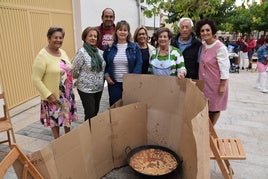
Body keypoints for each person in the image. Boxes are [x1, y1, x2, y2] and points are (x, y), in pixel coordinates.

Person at [32, 27, 78, 139]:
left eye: (61, 38)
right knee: (55, 121)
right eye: (55, 37)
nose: (58, 40)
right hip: (53, 96)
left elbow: (67, 69)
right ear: (49, 38)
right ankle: (57, 143)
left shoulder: (62, 52)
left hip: (67, 95)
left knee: (67, 119)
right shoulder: (42, 56)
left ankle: (68, 139)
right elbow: (35, 79)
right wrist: (48, 94)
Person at [195, 18, 230, 126]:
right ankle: (206, 130)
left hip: (216, 85)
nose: (205, 33)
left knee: (214, 109)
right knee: (205, 108)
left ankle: (211, 131)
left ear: (212, 31)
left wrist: (223, 85)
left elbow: (225, 68)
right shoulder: (204, 45)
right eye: (202, 31)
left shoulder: (220, 48)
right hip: (205, 84)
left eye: (207, 30)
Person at [103, 20, 142, 106]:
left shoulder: (135, 47)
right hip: (114, 83)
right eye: (120, 30)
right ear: (116, 31)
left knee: (129, 106)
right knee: (115, 107)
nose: (122, 32)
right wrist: (106, 75)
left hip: (129, 84)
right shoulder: (110, 47)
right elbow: (104, 63)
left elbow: (139, 64)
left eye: (125, 30)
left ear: (128, 32)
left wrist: (132, 79)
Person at [72, 27, 106, 121]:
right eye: (90, 35)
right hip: (85, 89)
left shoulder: (100, 52)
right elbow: (74, 70)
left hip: (98, 88)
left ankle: (92, 131)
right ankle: (87, 133)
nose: (93, 38)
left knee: (95, 111)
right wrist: (81, 78)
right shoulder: (82, 52)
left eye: (95, 36)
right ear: (85, 37)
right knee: (90, 112)